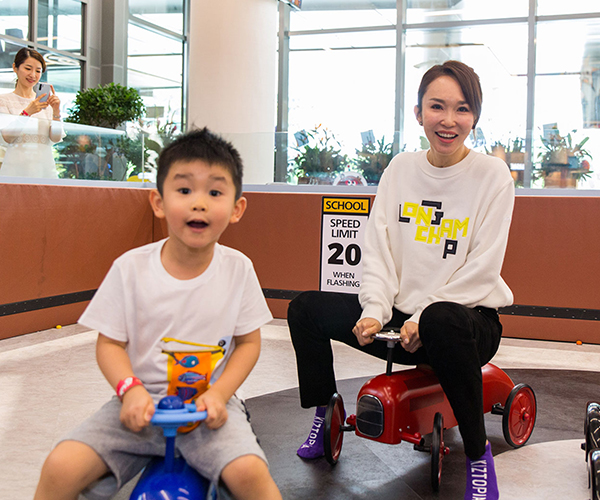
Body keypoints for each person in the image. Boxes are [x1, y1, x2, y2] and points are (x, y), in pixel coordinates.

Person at [288, 60, 514, 500]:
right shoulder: (400, 169)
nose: (448, 120)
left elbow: (482, 269)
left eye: (462, 109)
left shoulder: (492, 176)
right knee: (305, 309)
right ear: (418, 113)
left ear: (475, 116)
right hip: (400, 321)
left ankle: (477, 456)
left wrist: (421, 316)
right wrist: (375, 310)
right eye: (437, 107)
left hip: (466, 324)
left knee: (442, 319)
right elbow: (378, 250)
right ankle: (324, 414)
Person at [34, 128, 282, 500]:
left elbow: (248, 343)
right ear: (158, 202)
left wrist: (219, 394)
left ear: (236, 209)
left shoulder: (238, 268)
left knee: (251, 474)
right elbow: (109, 344)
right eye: (184, 190)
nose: (199, 203)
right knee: (60, 466)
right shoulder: (130, 268)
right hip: (139, 405)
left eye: (215, 193)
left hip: (207, 409)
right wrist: (129, 390)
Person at [0, 47, 63, 178]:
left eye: (38, 71)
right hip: (14, 170)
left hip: (44, 169)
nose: (33, 75)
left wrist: (56, 111)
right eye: (28, 68)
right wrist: (27, 112)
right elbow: (7, 137)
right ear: (15, 67)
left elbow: (56, 138)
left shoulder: (45, 102)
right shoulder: (4, 100)